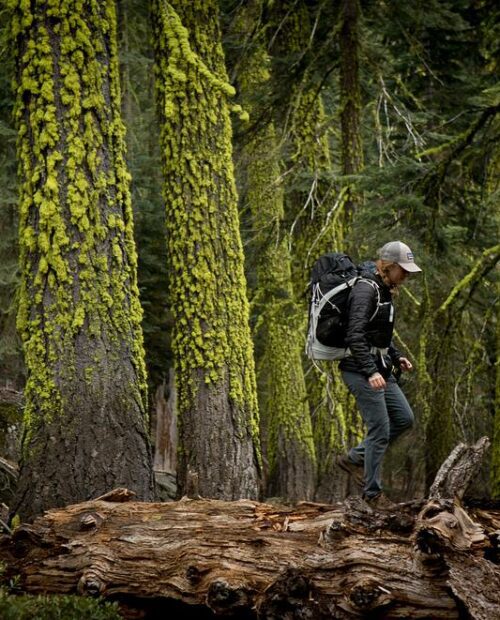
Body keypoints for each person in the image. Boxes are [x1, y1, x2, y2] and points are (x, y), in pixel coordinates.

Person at [335, 241, 421, 510]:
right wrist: (370, 371)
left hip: (381, 366)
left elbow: (380, 333)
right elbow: (355, 335)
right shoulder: (365, 289)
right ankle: (372, 494)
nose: (406, 276)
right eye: (403, 270)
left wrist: (396, 357)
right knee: (380, 429)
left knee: (404, 418)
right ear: (389, 266)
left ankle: (355, 458)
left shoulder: (385, 289)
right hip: (359, 369)